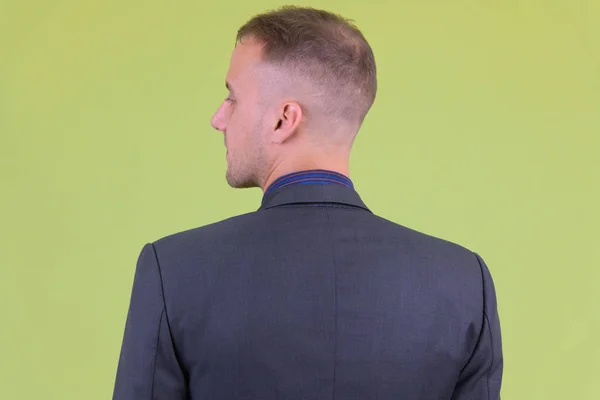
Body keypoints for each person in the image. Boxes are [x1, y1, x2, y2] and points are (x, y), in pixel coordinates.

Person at [112, 5, 503, 400]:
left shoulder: (173, 270)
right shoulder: (463, 283)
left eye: (232, 97)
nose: (218, 117)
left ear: (284, 119)